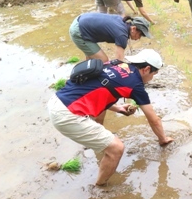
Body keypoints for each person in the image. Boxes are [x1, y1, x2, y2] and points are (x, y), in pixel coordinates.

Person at [47, 48, 174, 186]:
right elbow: (154, 119)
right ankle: (100, 187)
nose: (152, 78)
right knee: (116, 148)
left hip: (57, 100)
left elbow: (95, 89)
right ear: (146, 69)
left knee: (108, 142)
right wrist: (163, 139)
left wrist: (118, 108)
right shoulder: (136, 85)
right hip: (67, 115)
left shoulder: (114, 64)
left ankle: (100, 155)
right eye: (154, 74)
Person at [69, 13, 152, 62]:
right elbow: (119, 61)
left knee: (93, 57)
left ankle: (87, 78)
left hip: (80, 20)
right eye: (140, 34)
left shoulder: (122, 21)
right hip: (79, 31)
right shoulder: (122, 35)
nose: (139, 38)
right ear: (133, 29)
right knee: (104, 60)